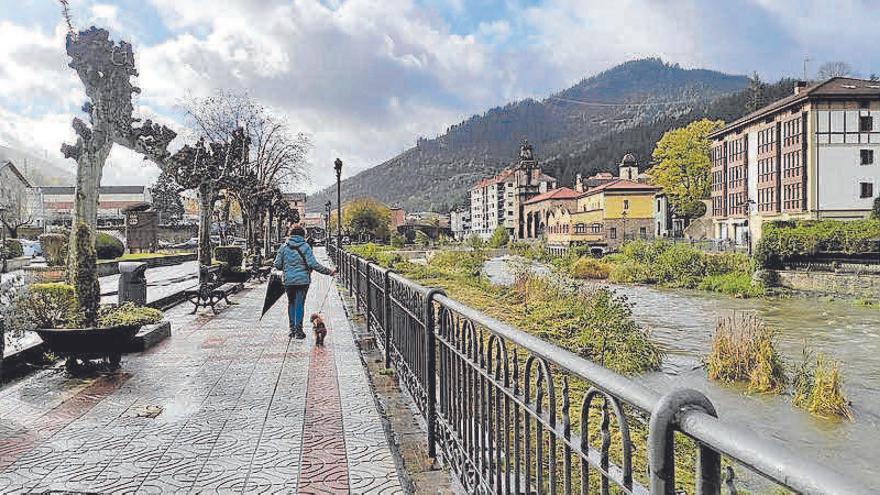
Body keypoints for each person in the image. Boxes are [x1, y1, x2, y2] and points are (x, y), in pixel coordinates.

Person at [274, 225, 336, 339]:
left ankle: (292, 330)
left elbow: (277, 265)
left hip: (288, 281)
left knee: (291, 303)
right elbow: (313, 264)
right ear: (303, 235)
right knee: (299, 304)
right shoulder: (305, 247)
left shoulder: (283, 247)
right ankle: (299, 331)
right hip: (303, 281)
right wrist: (329, 272)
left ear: (291, 234)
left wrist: (287, 266)